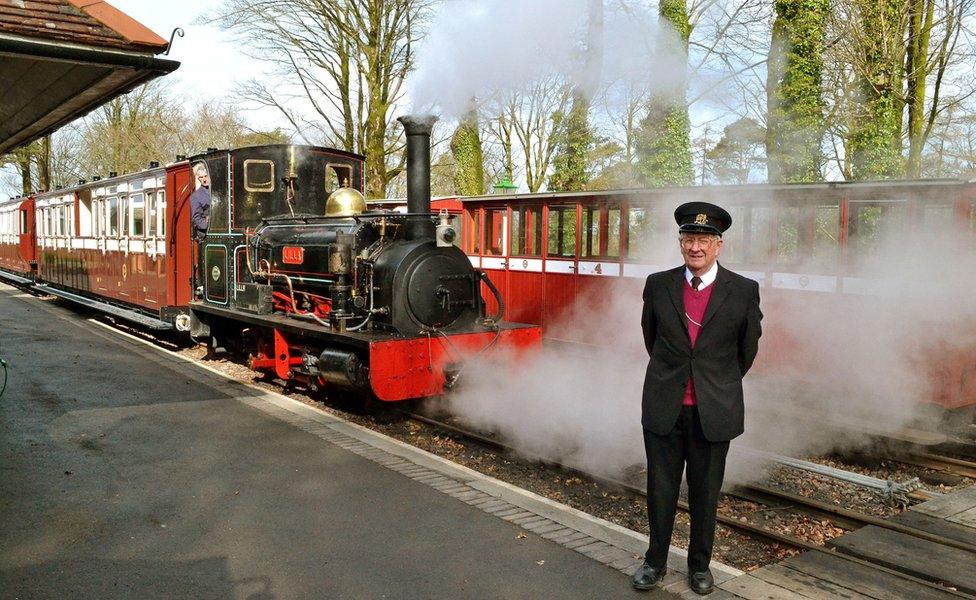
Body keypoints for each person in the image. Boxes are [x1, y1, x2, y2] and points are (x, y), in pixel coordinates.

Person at [632, 202, 762, 595]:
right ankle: (654, 563)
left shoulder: (743, 291)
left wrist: (713, 383)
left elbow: (747, 351)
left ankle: (700, 567)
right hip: (664, 408)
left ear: (719, 245)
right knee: (661, 490)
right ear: (680, 243)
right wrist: (676, 377)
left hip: (713, 411)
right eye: (689, 238)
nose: (696, 247)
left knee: (706, 495)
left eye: (704, 239)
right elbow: (650, 338)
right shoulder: (658, 284)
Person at [189, 162, 211, 241]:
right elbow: (196, 218)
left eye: (205, 176)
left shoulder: (218, 191)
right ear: (198, 179)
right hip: (206, 235)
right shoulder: (196, 196)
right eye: (201, 177)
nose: (204, 180)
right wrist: (208, 225)